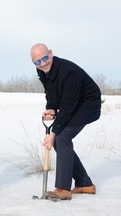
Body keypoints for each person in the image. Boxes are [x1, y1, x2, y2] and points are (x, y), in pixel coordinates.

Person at [30, 43, 101, 200]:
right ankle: (84, 184)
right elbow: (51, 93)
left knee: (61, 138)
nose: (42, 63)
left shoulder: (69, 72)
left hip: (88, 104)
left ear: (51, 53)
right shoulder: (41, 70)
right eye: (37, 62)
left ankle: (63, 189)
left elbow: (68, 107)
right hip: (73, 104)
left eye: (44, 58)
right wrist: (51, 108)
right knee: (59, 140)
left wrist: (53, 132)